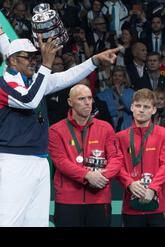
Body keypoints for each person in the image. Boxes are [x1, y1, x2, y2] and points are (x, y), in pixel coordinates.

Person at [0, 26, 119, 226]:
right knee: (9, 221)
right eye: (27, 57)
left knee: (36, 222)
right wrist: (46, 64)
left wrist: (94, 61)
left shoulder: (34, 81)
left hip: (40, 160)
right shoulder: (4, 85)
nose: (33, 61)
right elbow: (29, 100)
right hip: (14, 161)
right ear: (12, 60)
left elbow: (65, 77)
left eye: (34, 57)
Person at [48, 84, 124, 227]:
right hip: (67, 200)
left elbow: (116, 157)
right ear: (70, 102)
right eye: (82, 99)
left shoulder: (105, 127)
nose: (87, 102)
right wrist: (87, 175)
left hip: (100, 199)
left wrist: (103, 175)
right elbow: (60, 161)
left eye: (89, 98)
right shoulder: (56, 130)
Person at [116, 89, 165, 227]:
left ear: (154, 110)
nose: (141, 110)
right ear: (131, 107)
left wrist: (152, 188)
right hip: (131, 205)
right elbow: (117, 165)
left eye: (146, 107)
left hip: (160, 205)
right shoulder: (120, 137)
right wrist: (129, 183)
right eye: (138, 106)